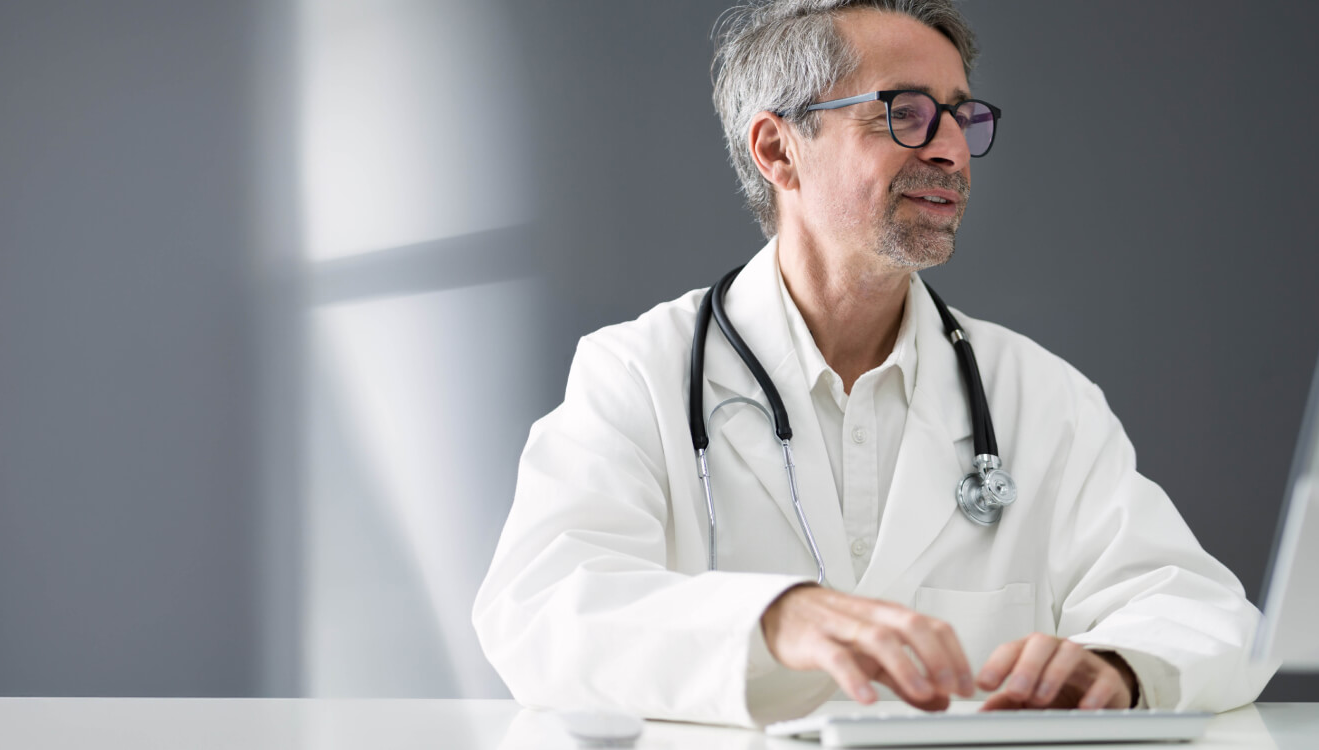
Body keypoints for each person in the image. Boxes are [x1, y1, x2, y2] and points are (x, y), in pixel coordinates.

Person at [471, 0, 1274, 727]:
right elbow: (539, 613)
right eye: (908, 114)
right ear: (778, 150)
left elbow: (1201, 612)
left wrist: (1116, 668)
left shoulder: (1039, 397)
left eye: (963, 117)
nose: (953, 152)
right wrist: (776, 620)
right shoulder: (638, 375)